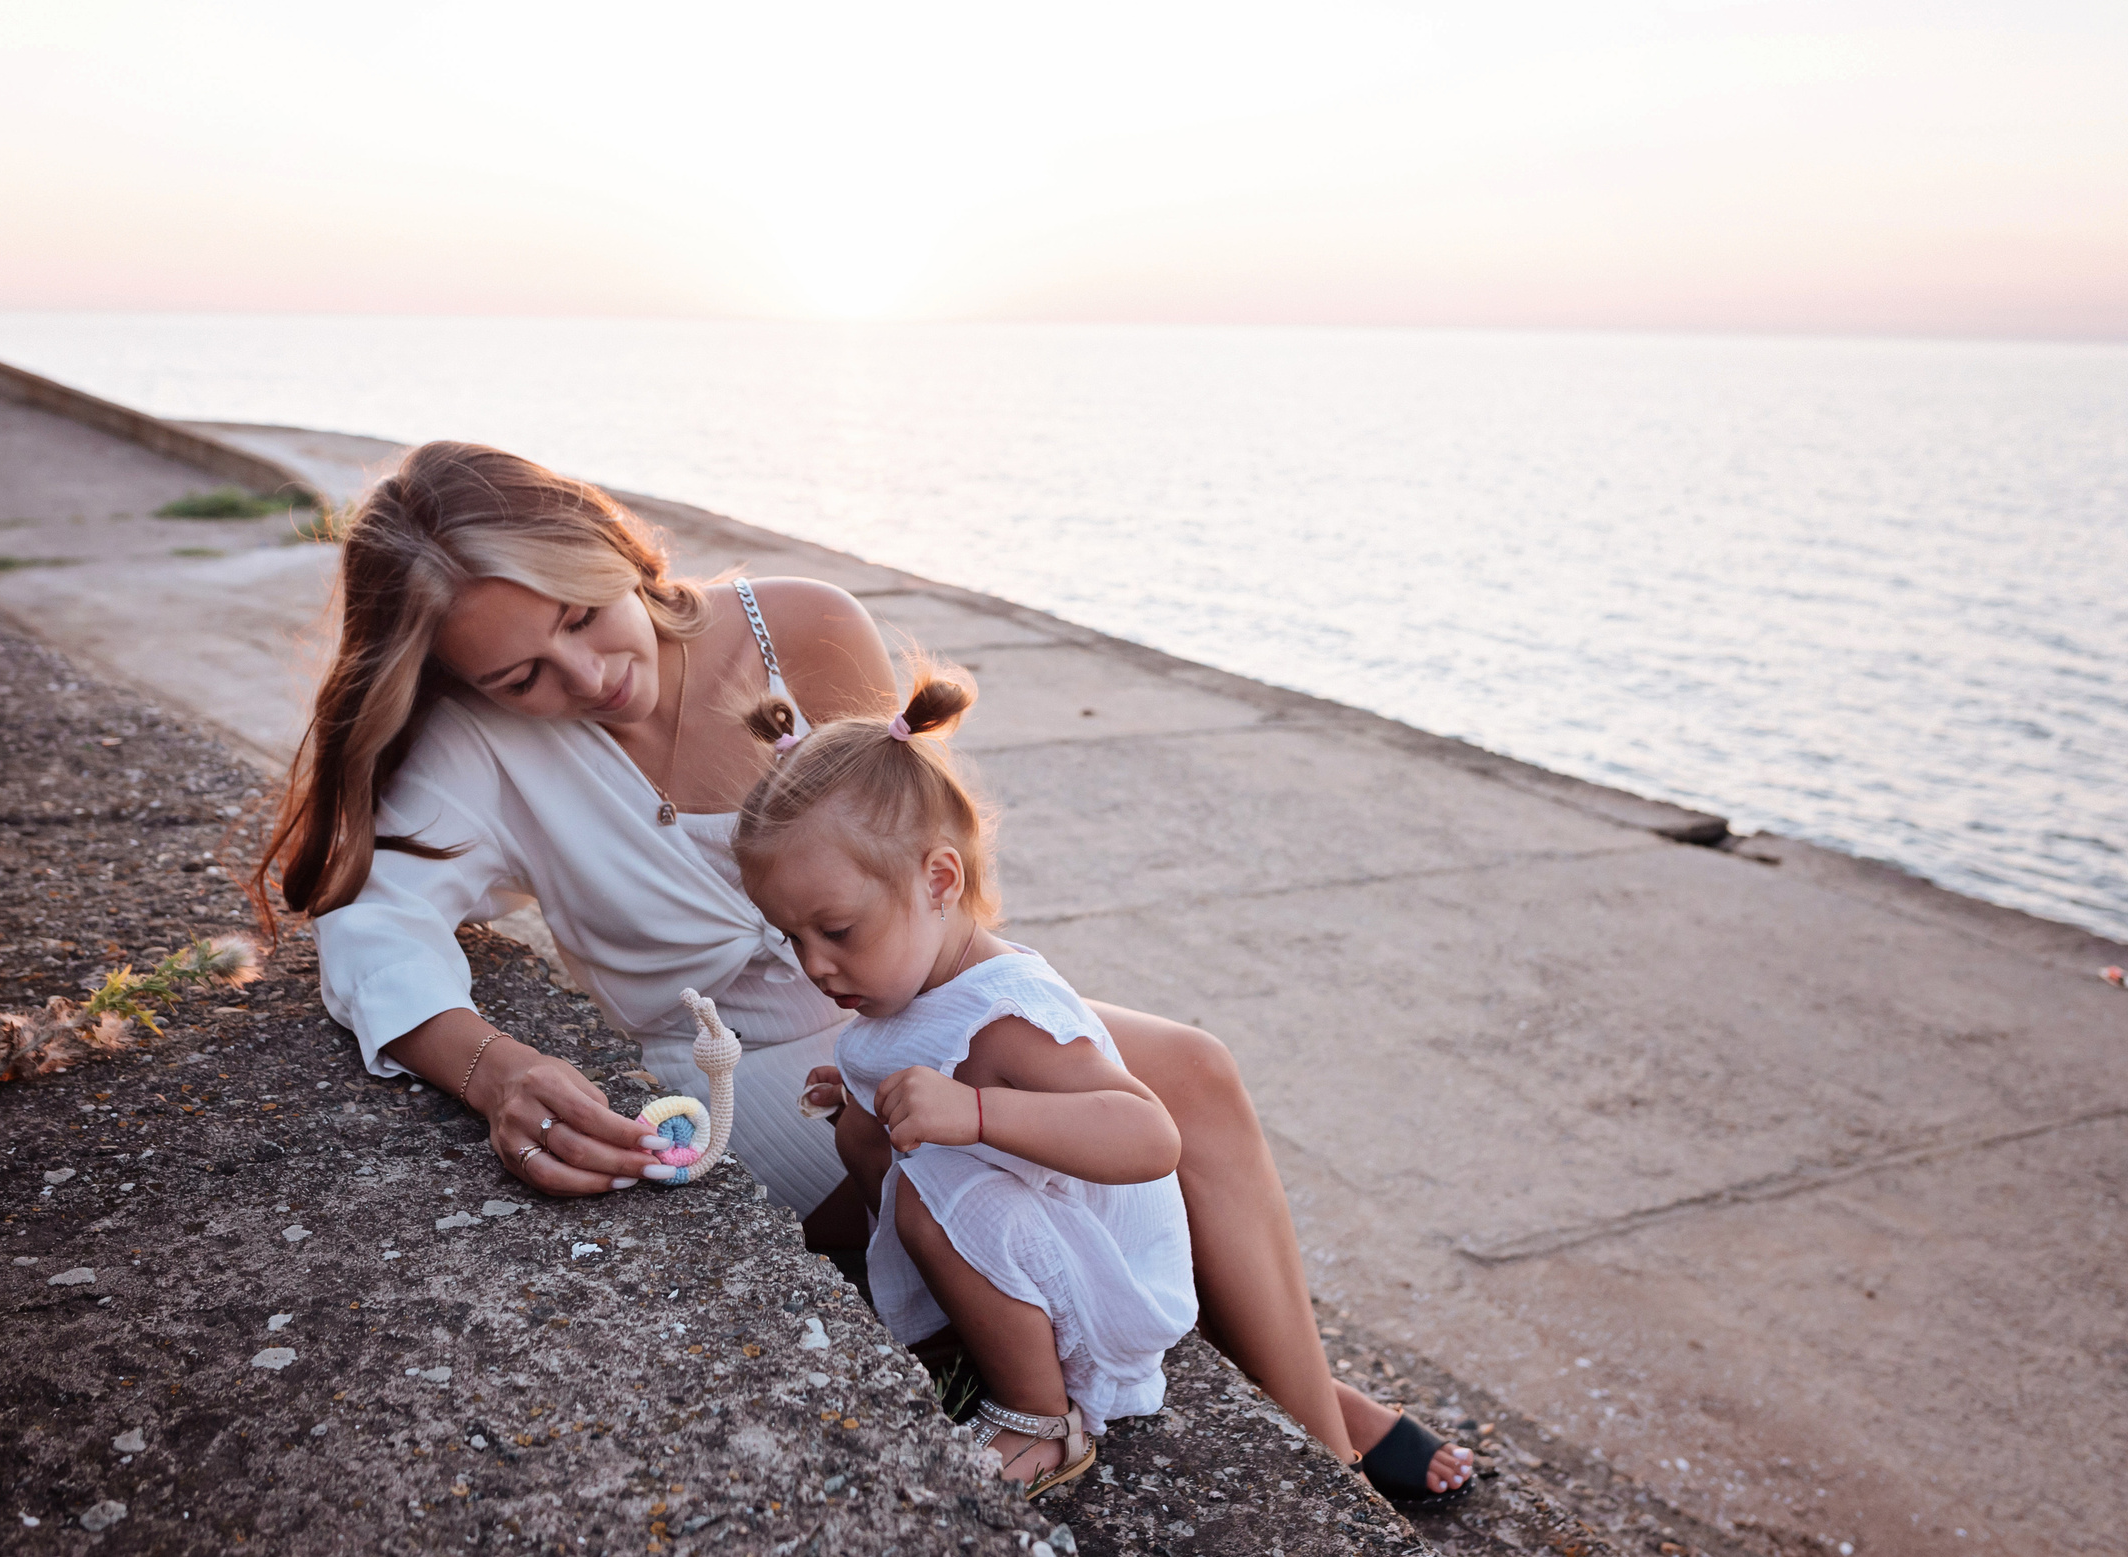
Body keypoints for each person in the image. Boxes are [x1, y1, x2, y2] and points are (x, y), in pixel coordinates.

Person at [258, 441, 1474, 1503]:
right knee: (1027, 1133)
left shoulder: (804, 625)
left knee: (1186, 1073)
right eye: (519, 671)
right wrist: (494, 1065)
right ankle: (1309, 1410)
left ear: (608, 545)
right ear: (472, 683)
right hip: (761, 1080)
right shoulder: (482, 741)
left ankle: (1306, 1431)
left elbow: (903, 877)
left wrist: (995, 1026)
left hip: (907, 1002)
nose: (583, 678)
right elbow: (373, 925)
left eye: (581, 615)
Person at [734, 672, 1193, 1497]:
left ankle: (1041, 1420)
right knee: (868, 1130)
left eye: (836, 930)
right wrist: (860, 1086)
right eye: (791, 936)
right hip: (1035, 1248)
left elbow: (1150, 1136)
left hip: (1105, 1284)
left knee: (934, 1186)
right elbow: (918, 1078)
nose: (813, 964)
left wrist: (977, 1110)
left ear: (940, 880)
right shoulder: (915, 982)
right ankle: (951, 1330)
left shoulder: (1010, 1012)